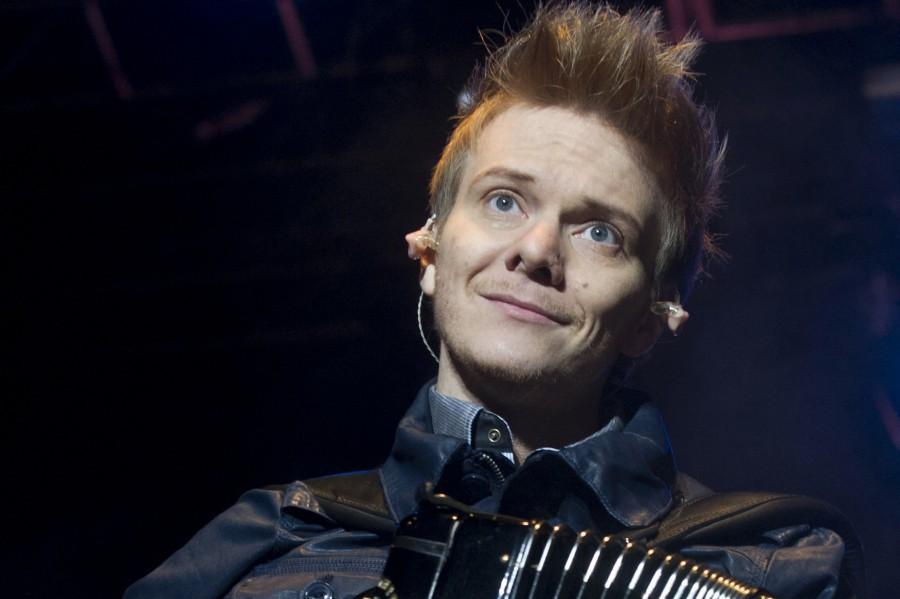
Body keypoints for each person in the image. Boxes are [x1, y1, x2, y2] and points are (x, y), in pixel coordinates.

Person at [124, 4, 857, 598]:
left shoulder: (769, 566)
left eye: (601, 232)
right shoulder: (262, 547)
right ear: (429, 250)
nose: (537, 250)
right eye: (504, 200)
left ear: (651, 316)